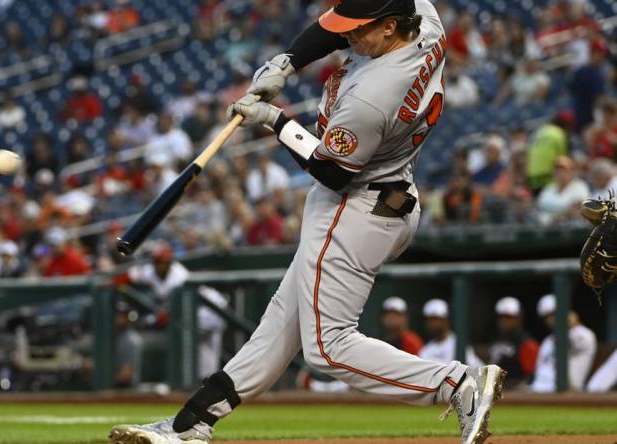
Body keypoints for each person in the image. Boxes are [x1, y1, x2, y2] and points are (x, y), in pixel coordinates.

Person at [111, 2, 505, 444]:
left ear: (390, 27)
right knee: (282, 324)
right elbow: (339, 29)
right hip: (388, 196)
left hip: (352, 205)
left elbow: (333, 171)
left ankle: (455, 384)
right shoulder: (424, 20)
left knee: (328, 348)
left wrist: (276, 121)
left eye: (359, 31)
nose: (348, 37)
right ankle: (191, 425)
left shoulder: (372, 96)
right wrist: (288, 62)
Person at [113, 242, 228, 379]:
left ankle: (201, 382)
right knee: (198, 347)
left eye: (163, 262)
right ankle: (199, 382)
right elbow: (130, 275)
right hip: (192, 311)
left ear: (170, 262)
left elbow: (176, 311)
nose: (160, 265)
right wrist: (113, 282)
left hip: (209, 309)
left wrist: (156, 318)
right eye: (157, 261)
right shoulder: (151, 270)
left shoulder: (179, 276)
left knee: (204, 347)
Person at [531, 294, 597, 392]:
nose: (551, 319)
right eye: (547, 317)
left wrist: (573, 324)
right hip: (536, 390)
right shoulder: (547, 341)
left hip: (564, 393)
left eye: (554, 314)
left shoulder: (584, 334)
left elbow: (573, 342)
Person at [487, 296, 538, 389]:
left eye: (509, 317)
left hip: (516, 392)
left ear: (519, 318)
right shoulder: (496, 339)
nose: (504, 321)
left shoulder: (527, 343)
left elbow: (531, 377)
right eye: (501, 317)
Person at [419, 299, 483, 367]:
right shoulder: (426, 350)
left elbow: (476, 369)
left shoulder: (459, 344)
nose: (432, 324)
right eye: (429, 320)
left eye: (436, 319)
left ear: (445, 320)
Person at [536, 156, 590, 224]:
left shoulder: (579, 186)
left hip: (571, 228)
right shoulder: (548, 188)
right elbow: (540, 205)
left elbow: (578, 207)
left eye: (564, 170)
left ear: (572, 172)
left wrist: (558, 215)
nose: (560, 173)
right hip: (547, 229)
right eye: (557, 170)